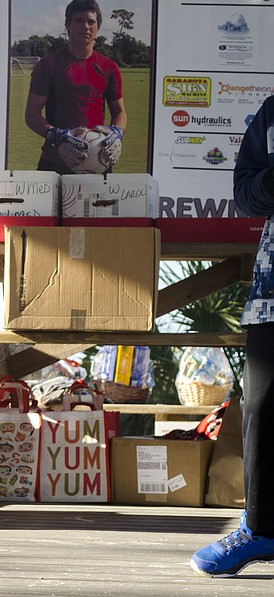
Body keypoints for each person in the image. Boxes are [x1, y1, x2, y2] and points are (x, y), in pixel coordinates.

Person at [189, 95, 274, 577]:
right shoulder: (271, 112)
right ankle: (261, 528)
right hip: (273, 289)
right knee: (263, 407)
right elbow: (246, 193)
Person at [24, 0, 127, 174]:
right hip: (55, 161)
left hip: (98, 162)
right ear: (67, 25)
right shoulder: (49, 65)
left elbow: (119, 112)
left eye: (91, 21)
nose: (85, 26)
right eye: (79, 20)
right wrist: (56, 135)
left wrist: (117, 133)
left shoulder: (109, 67)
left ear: (98, 27)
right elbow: (31, 114)